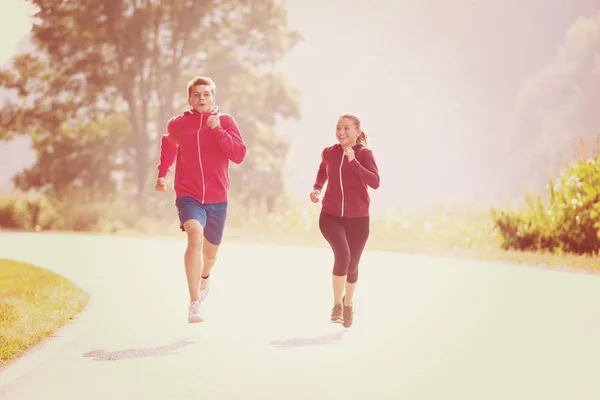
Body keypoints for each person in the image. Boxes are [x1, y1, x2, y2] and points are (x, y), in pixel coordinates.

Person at [155, 76, 246, 323]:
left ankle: (205, 275)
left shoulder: (225, 121)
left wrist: (217, 130)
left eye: (206, 94)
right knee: (194, 236)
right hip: (188, 194)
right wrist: (162, 174)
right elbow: (169, 145)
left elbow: (238, 155)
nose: (202, 98)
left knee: (211, 255)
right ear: (189, 99)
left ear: (213, 97)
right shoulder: (178, 124)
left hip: (218, 198)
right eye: (197, 95)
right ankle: (194, 303)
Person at [310, 114, 380, 328]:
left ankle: (348, 303)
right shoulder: (329, 152)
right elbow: (323, 170)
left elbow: (375, 182)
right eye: (338, 127)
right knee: (343, 255)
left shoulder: (365, 154)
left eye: (346, 128)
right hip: (330, 216)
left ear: (357, 132)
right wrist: (317, 188)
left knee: (352, 264)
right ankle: (337, 305)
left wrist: (354, 162)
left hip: (359, 219)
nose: (341, 132)